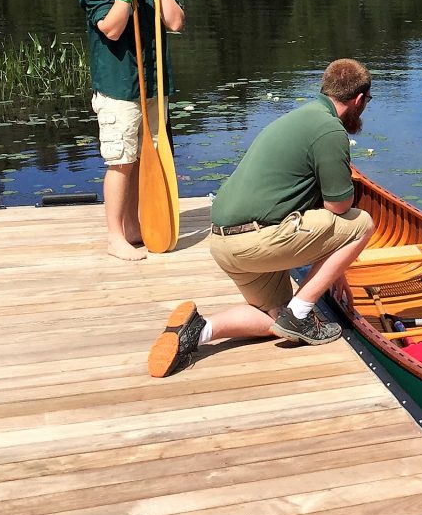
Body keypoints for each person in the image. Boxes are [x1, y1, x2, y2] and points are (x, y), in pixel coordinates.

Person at [147, 58, 376, 378]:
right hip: (255, 241)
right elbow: (338, 208)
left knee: (276, 320)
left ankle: (197, 332)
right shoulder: (329, 129)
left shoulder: (299, 117)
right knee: (362, 223)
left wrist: (335, 274)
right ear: (359, 100)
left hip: (223, 242)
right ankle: (300, 313)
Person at [78, 0, 186, 261]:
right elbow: (111, 29)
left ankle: (135, 226)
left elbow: (175, 23)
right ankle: (115, 237)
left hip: (155, 86)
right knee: (121, 161)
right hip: (119, 88)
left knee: (143, 159)